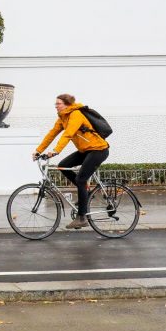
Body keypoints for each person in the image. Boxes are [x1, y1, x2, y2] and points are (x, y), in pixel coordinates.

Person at [32, 93, 110, 229]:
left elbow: (68, 134)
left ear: (67, 104)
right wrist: (38, 150)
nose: (56, 106)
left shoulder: (76, 115)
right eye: (55, 104)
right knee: (63, 166)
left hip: (99, 150)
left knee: (80, 179)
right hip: (85, 150)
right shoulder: (63, 117)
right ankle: (85, 191)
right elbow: (52, 134)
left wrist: (56, 150)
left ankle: (82, 218)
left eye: (58, 104)